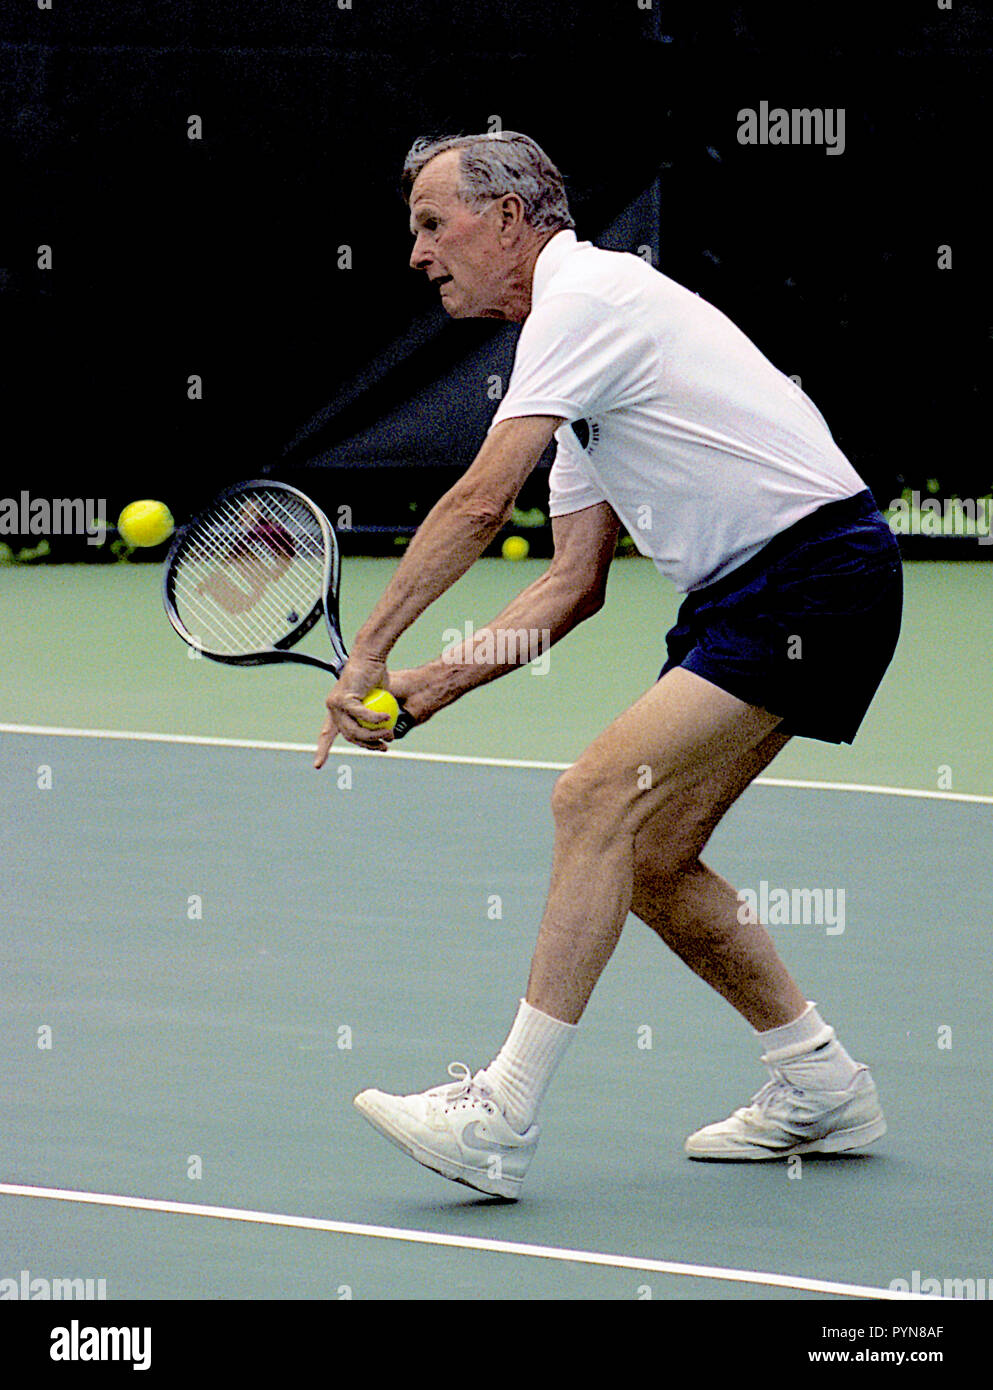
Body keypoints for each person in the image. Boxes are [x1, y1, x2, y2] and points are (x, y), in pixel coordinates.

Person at [313, 132, 903, 1200]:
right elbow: (568, 585)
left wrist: (373, 646)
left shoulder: (587, 300)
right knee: (653, 853)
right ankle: (821, 1080)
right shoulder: (574, 356)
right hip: (762, 589)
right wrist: (429, 688)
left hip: (815, 574)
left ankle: (499, 1113)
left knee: (594, 799)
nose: (417, 252)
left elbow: (478, 502)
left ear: (509, 220)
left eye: (433, 224)